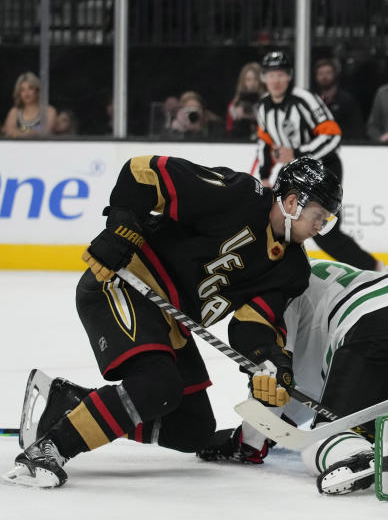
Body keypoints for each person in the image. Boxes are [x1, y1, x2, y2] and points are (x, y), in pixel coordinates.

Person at [3, 156, 343, 488]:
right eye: (318, 216)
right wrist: (122, 225)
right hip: (127, 282)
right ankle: (49, 449)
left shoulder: (292, 269)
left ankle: (70, 405)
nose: (320, 226)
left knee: (192, 428)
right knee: (156, 387)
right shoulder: (238, 195)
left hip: (170, 321)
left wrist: (269, 357)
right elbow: (143, 173)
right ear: (293, 201)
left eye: (326, 219)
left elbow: (252, 323)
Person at [198, 258, 388, 493]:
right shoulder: (301, 269)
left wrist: (247, 442)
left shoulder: (275, 289)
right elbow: (300, 398)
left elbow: (273, 381)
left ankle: (359, 455)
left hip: (374, 326)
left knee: (321, 441)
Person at [256, 50, 383, 272]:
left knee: (326, 234)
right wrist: (265, 176)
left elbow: (332, 134)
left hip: (323, 169)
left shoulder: (303, 99)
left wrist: (297, 152)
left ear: (289, 76)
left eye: (281, 74)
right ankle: (277, 272)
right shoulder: (263, 107)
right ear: (264, 78)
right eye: (270, 75)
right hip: (294, 171)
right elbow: (264, 142)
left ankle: (374, 269)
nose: (275, 80)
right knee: (278, 221)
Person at [313, 58, 364, 141]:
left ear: (335, 75)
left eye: (328, 73)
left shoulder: (347, 101)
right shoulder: (312, 101)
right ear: (316, 77)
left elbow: (357, 129)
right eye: (321, 73)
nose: (324, 77)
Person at [3, 72, 56, 138]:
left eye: (30, 88)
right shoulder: (14, 112)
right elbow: (10, 132)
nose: (26, 93)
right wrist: (33, 132)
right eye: (22, 90)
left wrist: (19, 132)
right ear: (19, 93)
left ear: (37, 91)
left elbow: (46, 131)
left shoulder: (49, 111)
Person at [226, 61, 264, 140]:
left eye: (255, 79)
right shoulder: (234, 104)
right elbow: (229, 129)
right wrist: (236, 115)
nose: (252, 83)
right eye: (248, 79)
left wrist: (254, 116)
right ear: (243, 81)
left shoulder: (267, 102)